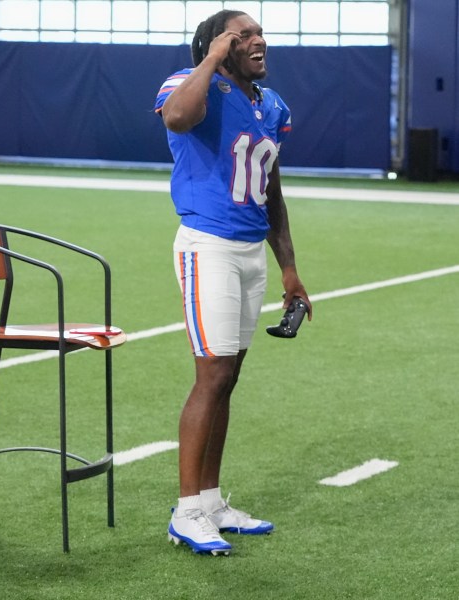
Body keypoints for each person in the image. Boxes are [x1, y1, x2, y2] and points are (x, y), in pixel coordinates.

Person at [153, 11, 312, 555]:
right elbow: (177, 119)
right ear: (216, 44)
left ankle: (213, 499)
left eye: (258, 31)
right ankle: (188, 509)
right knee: (212, 374)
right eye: (241, 34)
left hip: (250, 251)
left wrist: (289, 267)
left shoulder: (272, 105)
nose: (257, 39)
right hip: (208, 245)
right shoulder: (190, 83)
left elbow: (272, 191)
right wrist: (212, 59)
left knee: (228, 378)